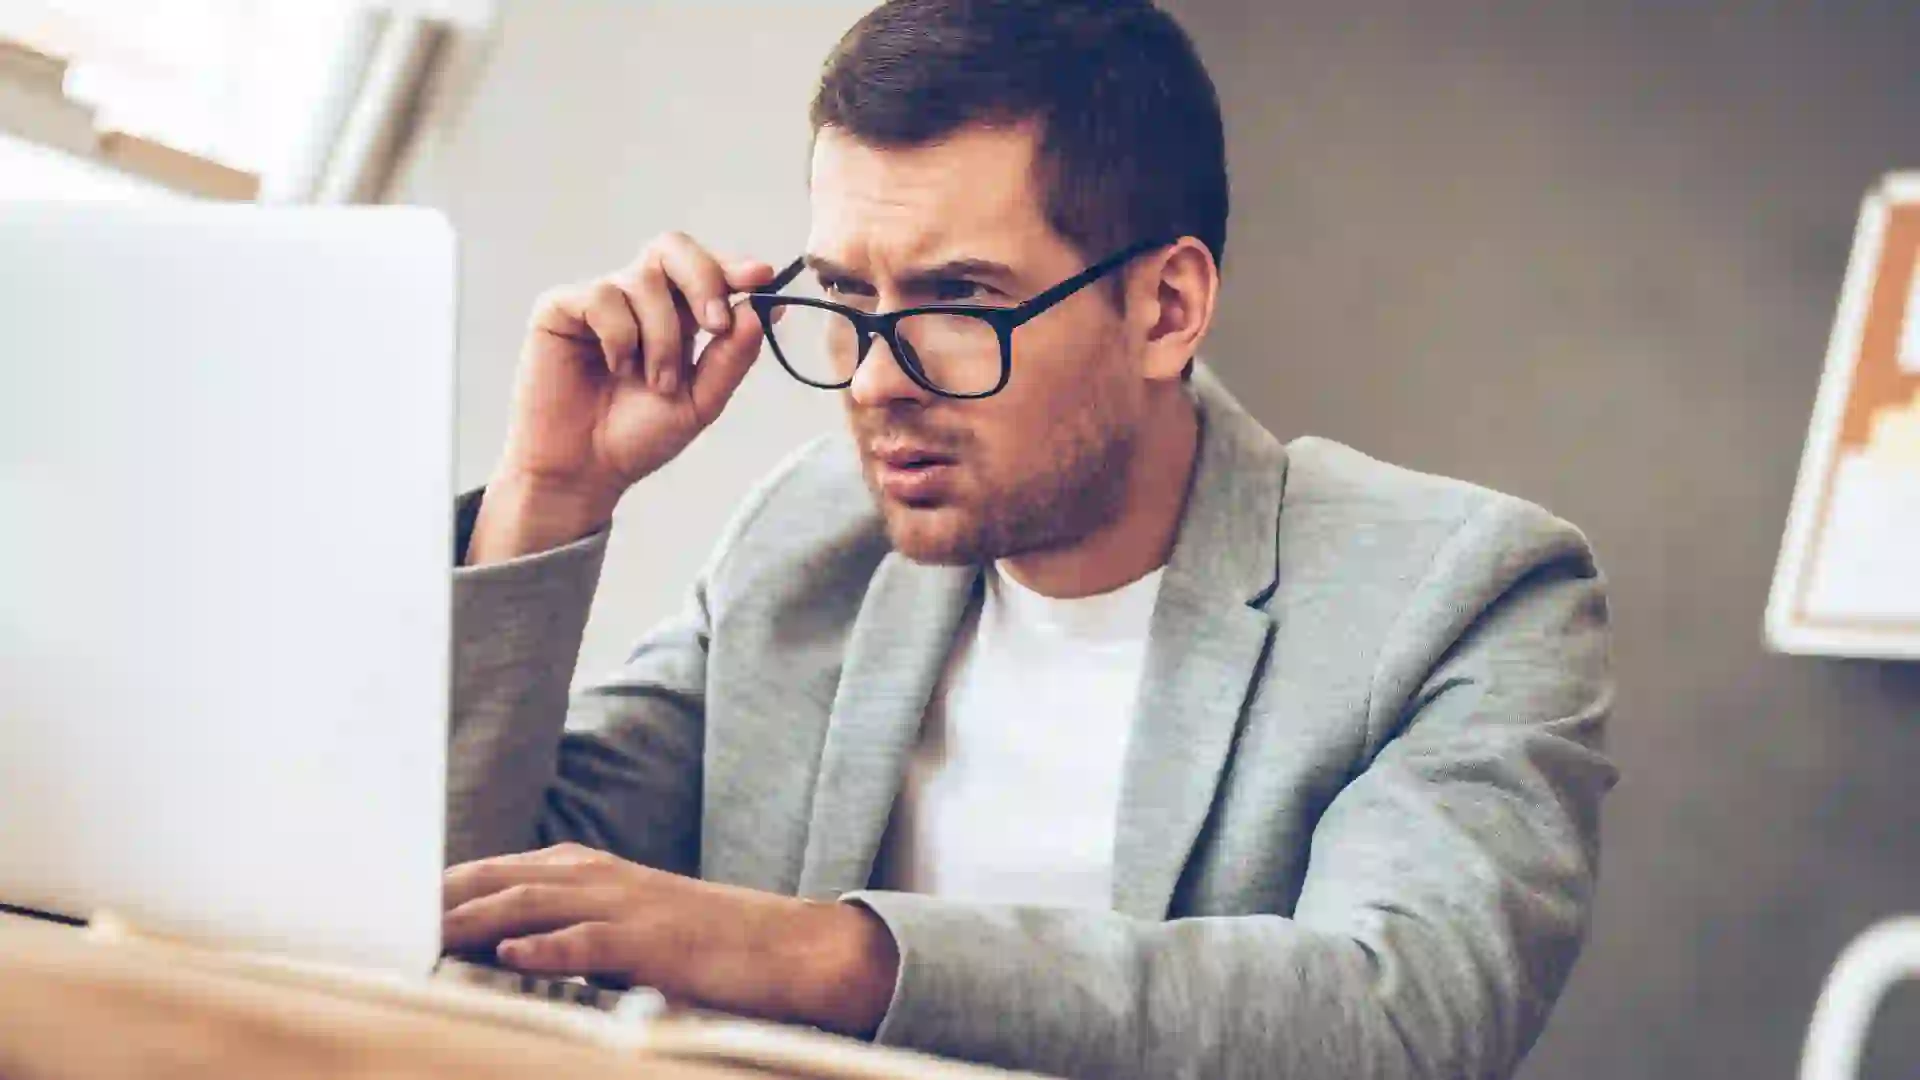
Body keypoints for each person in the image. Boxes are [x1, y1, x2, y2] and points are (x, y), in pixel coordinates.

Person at [437, 2, 1619, 1077]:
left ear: (1166, 309)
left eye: (957, 302)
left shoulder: (1465, 593)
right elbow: (449, 889)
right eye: (849, 299)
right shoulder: (813, 537)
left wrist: (833, 956)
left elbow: (1399, 1019)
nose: (875, 383)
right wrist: (549, 495)